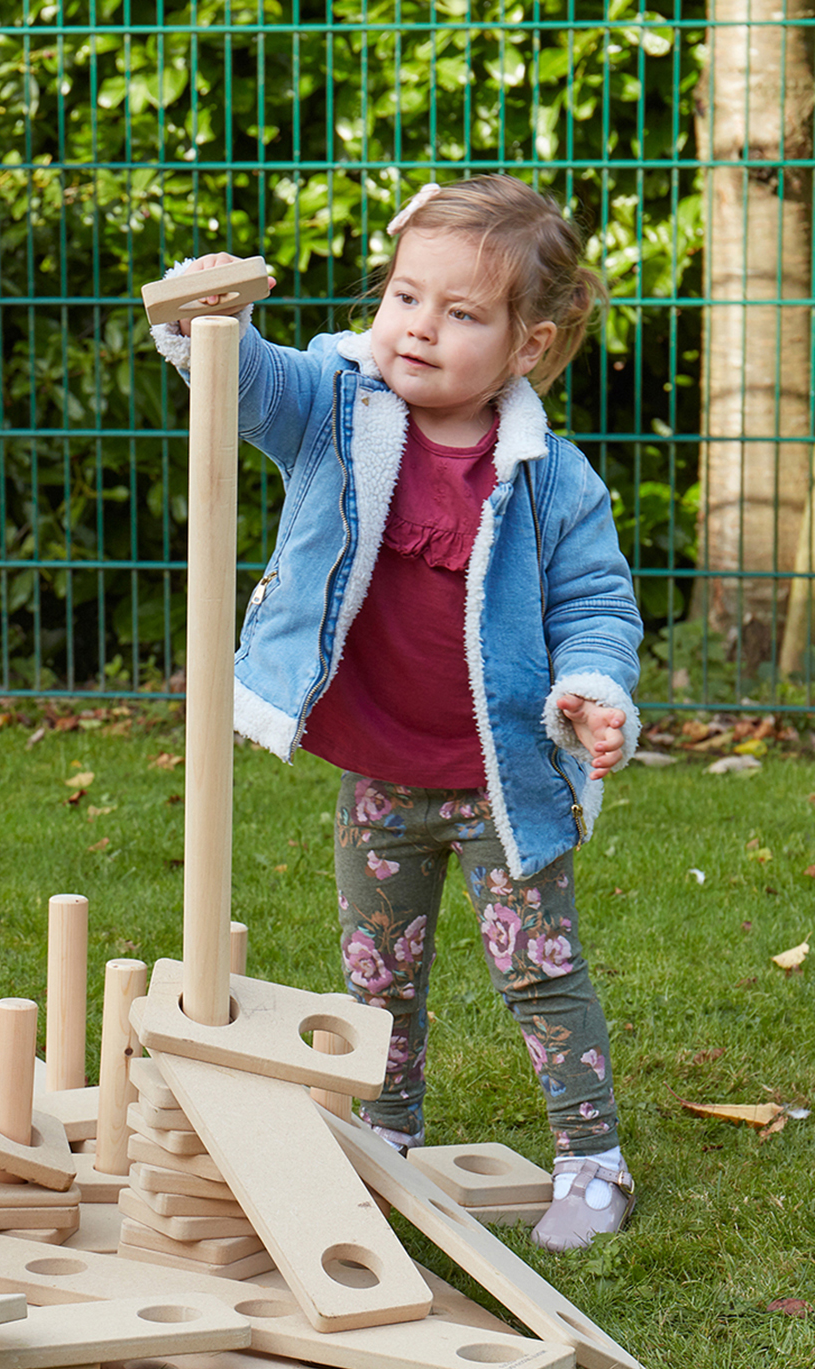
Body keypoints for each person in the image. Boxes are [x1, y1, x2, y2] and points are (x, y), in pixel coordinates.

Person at [151, 175, 641, 1251]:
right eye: (404, 295)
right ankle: (387, 1136)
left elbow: (597, 606)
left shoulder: (552, 481)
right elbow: (254, 385)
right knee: (377, 974)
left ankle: (590, 1157)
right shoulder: (338, 411)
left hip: (502, 781)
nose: (418, 326)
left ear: (527, 345)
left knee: (540, 969)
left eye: (460, 313)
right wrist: (209, 320)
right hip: (378, 771)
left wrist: (591, 690)